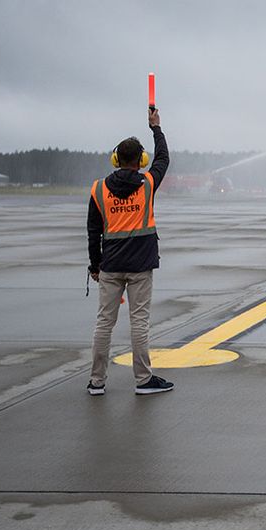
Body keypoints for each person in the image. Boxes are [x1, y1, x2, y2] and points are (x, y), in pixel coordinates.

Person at [86, 107, 173, 396]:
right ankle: (143, 380)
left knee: (104, 323)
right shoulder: (147, 184)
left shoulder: (98, 189)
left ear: (116, 159)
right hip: (140, 266)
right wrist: (156, 128)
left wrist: (95, 266)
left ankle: (96, 381)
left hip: (110, 266)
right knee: (139, 322)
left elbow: (93, 231)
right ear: (140, 161)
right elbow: (163, 159)